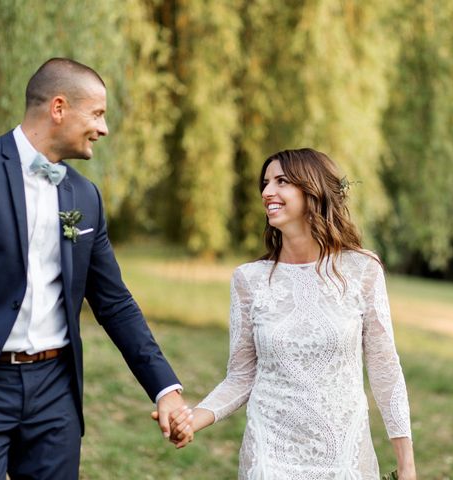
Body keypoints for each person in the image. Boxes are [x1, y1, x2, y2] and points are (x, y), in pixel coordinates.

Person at [0, 58, 190, 479]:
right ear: (59, 108)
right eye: (97, 113)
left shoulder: (85, 195)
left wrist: (165, 389)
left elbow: (114, 302)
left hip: (54, 393)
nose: (104, 128)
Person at [167, 148, 417, 479]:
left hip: (343, 454)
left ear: (313, 190)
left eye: (281, 181)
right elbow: (242, 375)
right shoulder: (249, 280)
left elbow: (385, 369)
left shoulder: (362, 270)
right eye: (266, 183)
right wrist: (193, 419)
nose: (267, 192)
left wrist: (407, 465)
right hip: (270, 453)